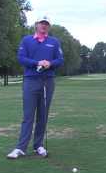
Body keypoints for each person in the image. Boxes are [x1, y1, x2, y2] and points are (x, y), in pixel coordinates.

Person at [7, 16, 64, 159]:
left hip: (48, 81)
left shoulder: (54, 42)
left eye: (46, 24)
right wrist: (37, 62)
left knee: (43, 115)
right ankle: (21, 148)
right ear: (36, 25)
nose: (44, 26)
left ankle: (38, 145)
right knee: (28, 115)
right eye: (41, 23)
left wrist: (50, 64)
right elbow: (21, 58)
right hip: (31, 80)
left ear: (48, 27)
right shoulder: (27, 40)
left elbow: (60, 60)